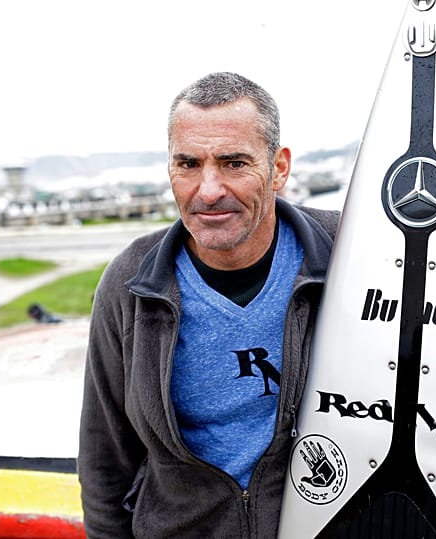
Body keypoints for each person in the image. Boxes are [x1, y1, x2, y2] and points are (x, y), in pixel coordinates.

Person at [78, 72, 339, 538]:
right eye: (189, 164)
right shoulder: (130, 283)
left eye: (234, 163)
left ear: (279, 168)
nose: (209, 189)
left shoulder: (350, 254)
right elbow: (104, 458)